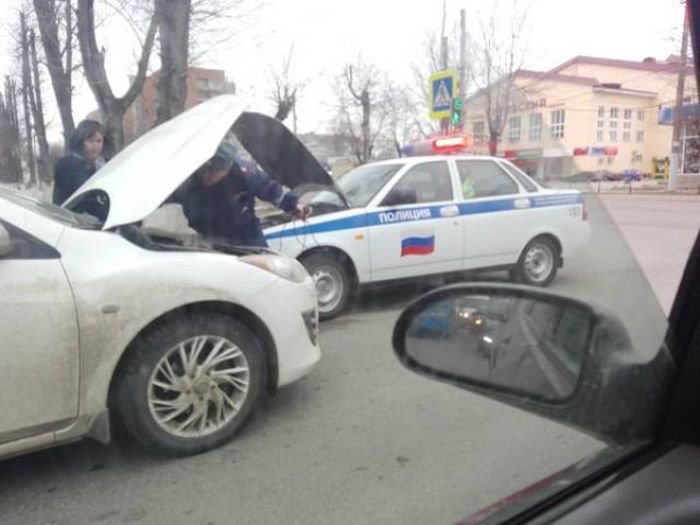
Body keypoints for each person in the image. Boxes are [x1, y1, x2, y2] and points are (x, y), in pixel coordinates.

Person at [172, 141, 309, 247]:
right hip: (207, 236)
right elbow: (165, 194)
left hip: (246, 236)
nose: (206, 177)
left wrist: (294, 205)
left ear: (226, 169)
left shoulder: (245, 173)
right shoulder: (187, 177)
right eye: (203, 171)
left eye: (213, 172)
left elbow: (270, 189)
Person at [52, 120, 107, 206]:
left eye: (99, 141)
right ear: (80, 142)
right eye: (90, 141)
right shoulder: (66, 165)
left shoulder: (100, 164)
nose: (95, 146)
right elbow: (85, 196)